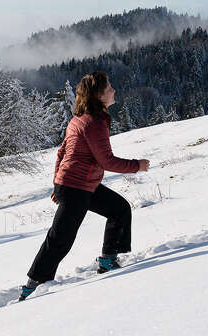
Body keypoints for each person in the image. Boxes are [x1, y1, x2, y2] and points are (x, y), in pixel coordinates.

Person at [19, 72, 150, 301]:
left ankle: (108, 260)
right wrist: (137, 165)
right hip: (76, 187)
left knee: (119, 209)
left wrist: (57, 182)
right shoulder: (93, 122)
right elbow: (106, 161)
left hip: (78, 185)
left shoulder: (81, 119)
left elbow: (61, 153)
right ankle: (33, 286)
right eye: (109, 87)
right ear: (99, 95)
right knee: (60, 238)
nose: (113, 90)